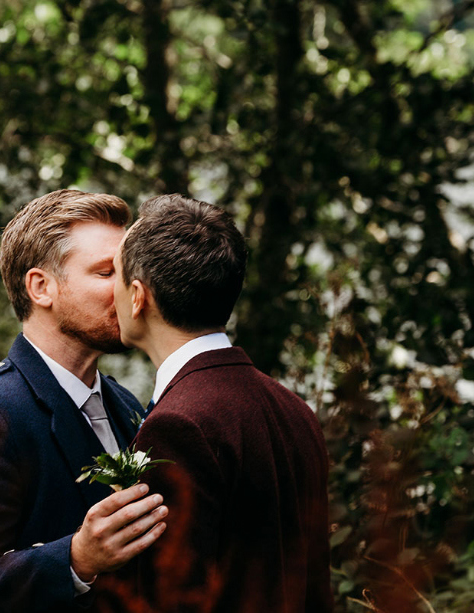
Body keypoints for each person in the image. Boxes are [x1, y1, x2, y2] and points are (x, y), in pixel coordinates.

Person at [0, 189, 168, 613]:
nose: (131, 291)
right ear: (41, 287)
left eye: (130, 273)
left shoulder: (127, 405)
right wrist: (75, 560)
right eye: (107, 272)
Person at [106, 194, 333, 612]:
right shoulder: (295, 411)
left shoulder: (178, 425)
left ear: (138, 296)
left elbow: (166, 598)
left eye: (113, 275)